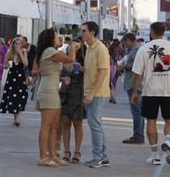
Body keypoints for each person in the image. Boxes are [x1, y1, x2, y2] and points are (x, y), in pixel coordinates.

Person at [130, 22, 170, 166]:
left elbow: (137, 73)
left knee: (151, 121)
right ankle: (168, 141)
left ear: (151, 32)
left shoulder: (143, 49)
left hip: (150, 92)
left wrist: (135, 91)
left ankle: (155, 155)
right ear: (165, 31)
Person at [32, 29, 76, 167]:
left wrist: (61, 77)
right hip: (47, 92)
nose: (59, 38)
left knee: (55, 126)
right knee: (47, 126)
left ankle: (53, 155)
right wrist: (73, 48)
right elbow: (71, 59)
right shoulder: (50, 51)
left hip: (52, 90)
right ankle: (43, 157)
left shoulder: (50, 52)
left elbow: (64, 68)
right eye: (57, 36)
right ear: (51, 39)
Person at [78, 22, 113, 168]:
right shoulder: (89, 48)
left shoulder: (100, 49)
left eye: (84, 31)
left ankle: (97, 157)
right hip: (91, 91)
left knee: (95, 125)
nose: (82, 33)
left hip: (98, 93)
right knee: (96, 125)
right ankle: (103, 157)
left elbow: (104, 72)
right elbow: (91, 70)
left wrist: (91, 94)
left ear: (92, 32)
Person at [58, 35, 86, 162]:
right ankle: (66, 151)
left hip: (78, 93)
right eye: (70, 46)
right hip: (64, 93)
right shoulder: (62, 60)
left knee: (77, 123)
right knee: (65, 123)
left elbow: (92, 74)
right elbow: (55, 74)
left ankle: (77, 151)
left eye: (75, 47)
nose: (71, 48)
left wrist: (82, 69)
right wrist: (62, 78)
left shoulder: (84, 61)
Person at [115, 33, 145, 144]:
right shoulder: (133, 50)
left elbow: (137, 66)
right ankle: (138, 134)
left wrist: (124, 66)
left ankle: (138, 135)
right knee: (137, 111)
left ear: (130, 40)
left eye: (125, 42)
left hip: (134, 84)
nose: (124, 44)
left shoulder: (137, 50)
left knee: (136, 111)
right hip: (131, 83)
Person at [0, 36, 30, 125]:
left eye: (20, 44)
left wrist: (20, 53)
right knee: (12, 97)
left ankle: (18, 116)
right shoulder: (9, 53)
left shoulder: (23, 52)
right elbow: (4, 65)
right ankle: (16, 118)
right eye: (16, 44)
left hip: (21, 77)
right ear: (13, 45)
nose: (18, 45)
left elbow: (26, 63)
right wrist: (7, 64)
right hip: (12, 77)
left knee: (22, 96)